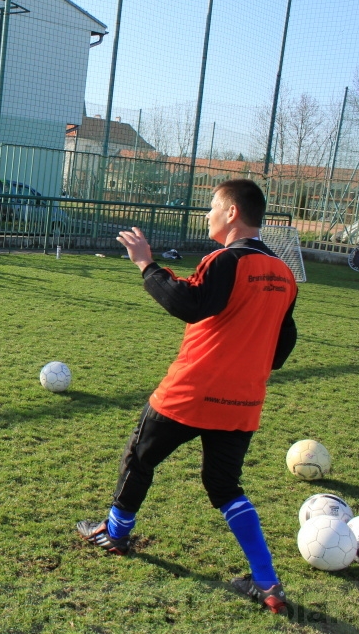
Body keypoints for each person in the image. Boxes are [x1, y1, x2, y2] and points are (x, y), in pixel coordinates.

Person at [76, 179, 298, 615]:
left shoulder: (226, 260)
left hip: (191, 391)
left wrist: (146, 265)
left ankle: (116, 534)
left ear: (233, 212)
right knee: (225, 487)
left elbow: (188, 302)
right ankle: (267, 581)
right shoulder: (284, 273)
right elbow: (283, 347)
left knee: (140, 458)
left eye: (213, 206)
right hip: (243, 401)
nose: (208, 213)